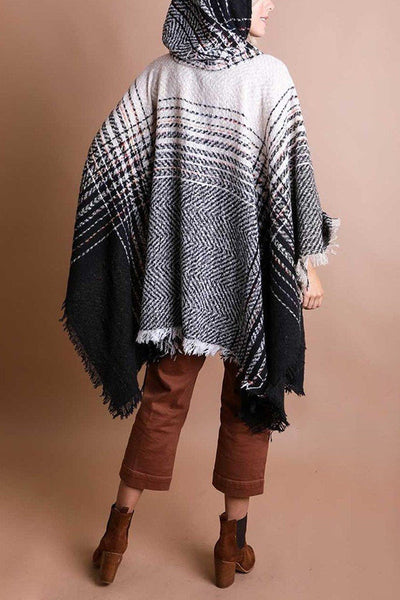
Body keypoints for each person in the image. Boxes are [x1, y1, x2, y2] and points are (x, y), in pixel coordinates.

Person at [60, 0, 341, 589]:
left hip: (178, 279)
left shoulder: (163, 75)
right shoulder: (269, 77)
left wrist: (156, 223)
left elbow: (108, 155)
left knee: (162, 397)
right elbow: (292, 179)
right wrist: (305, 266)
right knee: (249, 400)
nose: (271, 5)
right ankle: (230, 544)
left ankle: (115, 534)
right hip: (246, 276)